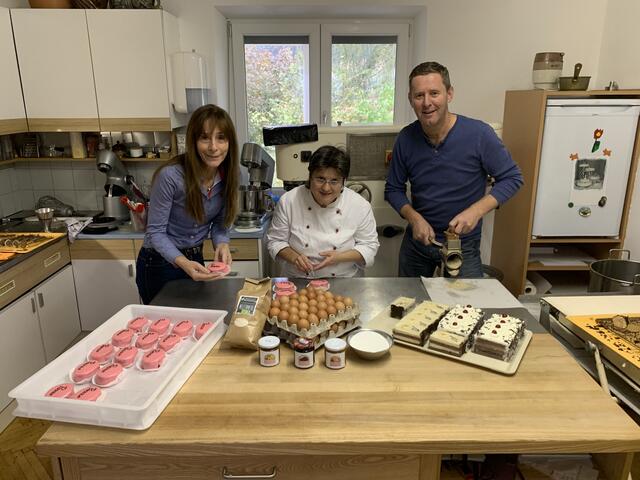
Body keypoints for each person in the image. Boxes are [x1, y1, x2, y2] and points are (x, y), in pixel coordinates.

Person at [385, 61, 523, 278]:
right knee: (409, 306)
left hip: (462, 245)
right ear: (410, 99)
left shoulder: (479, 134)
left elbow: (512, 178)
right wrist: (414, 218)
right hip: (417, 245)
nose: (427, 103)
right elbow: (393, 189)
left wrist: (476, 211)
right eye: (419, 95)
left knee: (466, 308)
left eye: (434, 93)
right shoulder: (406, 138)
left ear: (449, 94)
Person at [135, 104, 239, 304]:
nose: (213, 147)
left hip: (194, 258)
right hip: (158, 263)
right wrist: (183, 263)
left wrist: (222, 243)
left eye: (221, 138)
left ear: (229, 142)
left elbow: (219, 223)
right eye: (204, 137)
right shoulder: (170, 176)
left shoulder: (231, 176)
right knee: (163, 328)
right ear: (193, 141)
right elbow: (155, 232)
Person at [265, 145, 379, 278]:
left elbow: (369, 246)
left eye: (334, 181)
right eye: (320, 179)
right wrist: (295, 258)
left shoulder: (359, 205)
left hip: (345, 279)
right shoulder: (289, 201)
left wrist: (340, 257)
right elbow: (275, 241)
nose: (326, 188)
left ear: (343, 181)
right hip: (298, 280)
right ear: (310, 177)